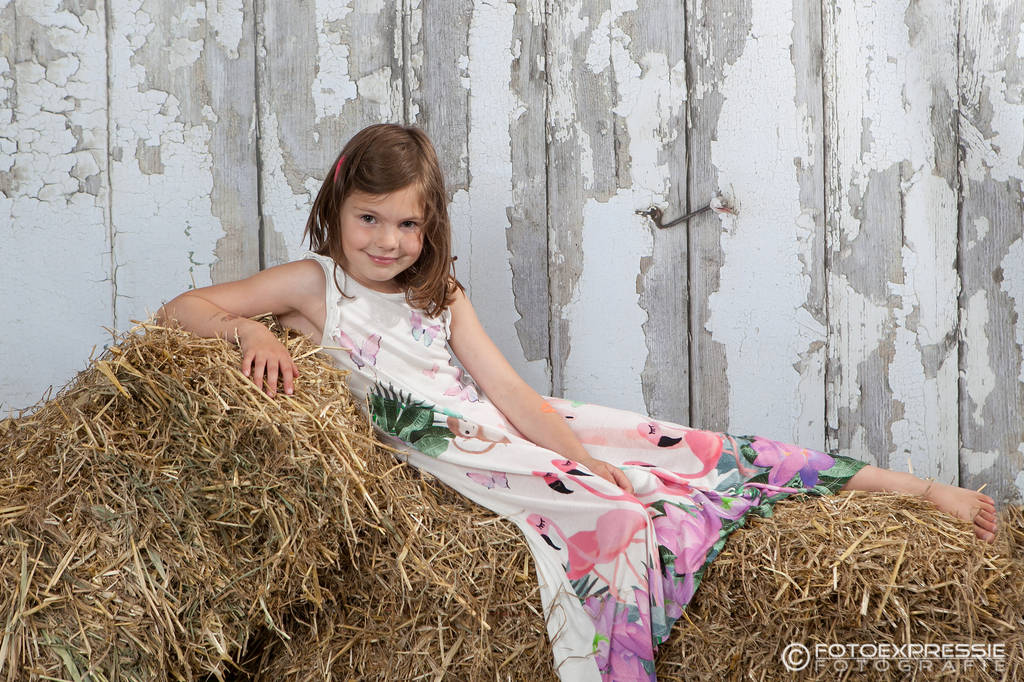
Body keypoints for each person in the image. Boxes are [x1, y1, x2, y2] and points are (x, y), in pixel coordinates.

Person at [156, 123, 998, 681]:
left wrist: (584, 455)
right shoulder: (314, 284)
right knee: (621, 522)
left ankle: (915, 490)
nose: (386, 241)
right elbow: (183, 308)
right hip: (443, 448)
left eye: (406, 225)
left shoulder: (438, 292)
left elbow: (511, 390)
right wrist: (250, 334)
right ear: (335, 210)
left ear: (430, 226)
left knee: (686, 450)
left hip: (499, 424)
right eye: (369, 218)